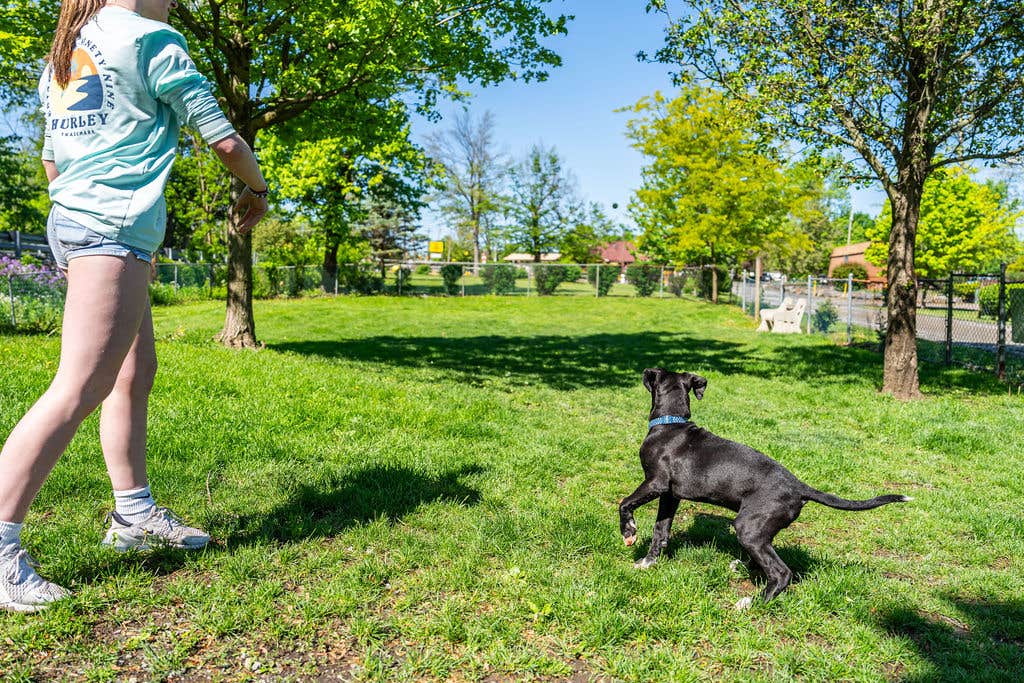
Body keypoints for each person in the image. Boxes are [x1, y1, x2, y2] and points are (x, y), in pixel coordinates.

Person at [0, 0, 268, 612]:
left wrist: (79, 209)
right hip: (111, 228)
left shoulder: (68, 44)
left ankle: (134, 514)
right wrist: (258, 190)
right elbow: (223, 139)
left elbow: (49, 157)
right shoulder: (151, 39)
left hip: (77, 220)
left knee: (131, 373)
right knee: (79, 385)